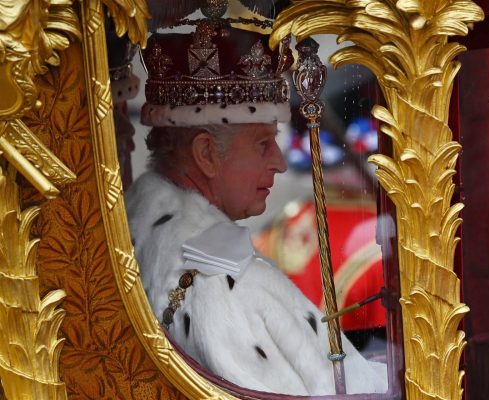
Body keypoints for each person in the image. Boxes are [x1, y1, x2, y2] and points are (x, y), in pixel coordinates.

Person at [125, 19, 387, 395]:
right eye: (263, 143)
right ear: (207, 155)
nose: (280, 162)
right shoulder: (229, 288)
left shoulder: (136, 230)